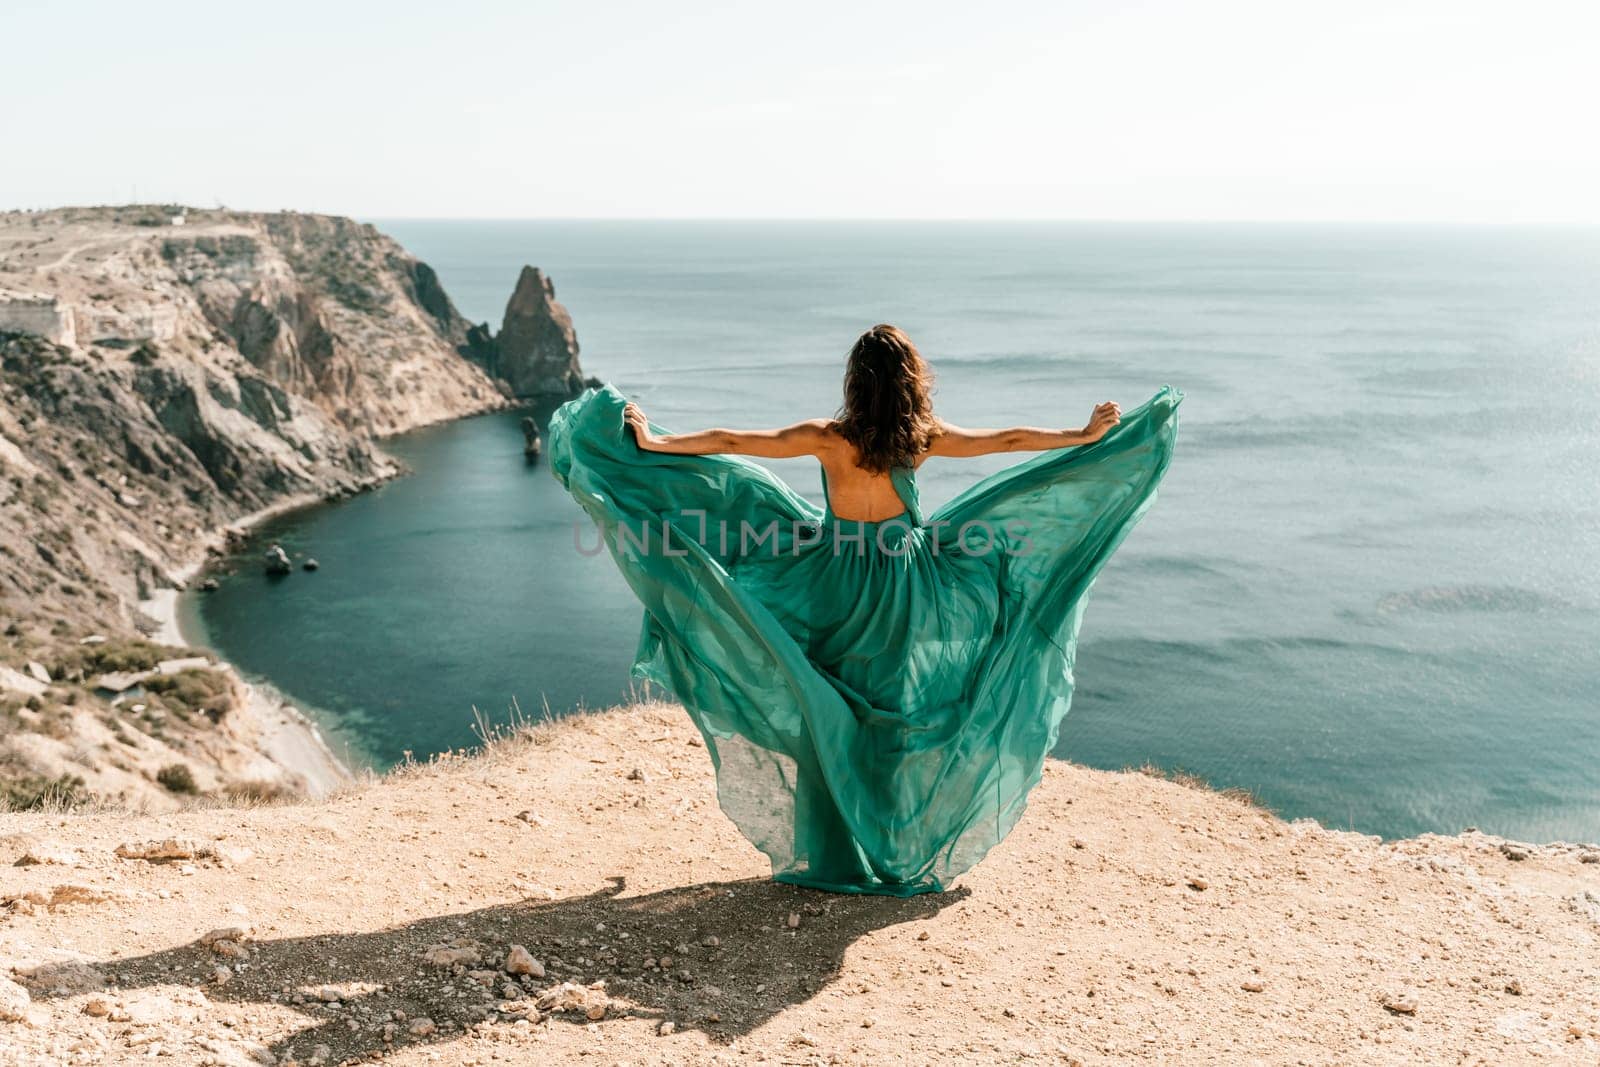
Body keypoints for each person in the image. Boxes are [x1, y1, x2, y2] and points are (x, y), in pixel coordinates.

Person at [549, 324, 1181, 895]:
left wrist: (655, 442)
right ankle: (897, 847)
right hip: (906, 587)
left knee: (830, 707)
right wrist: (1084, 436)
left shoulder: (828, 440)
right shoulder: (922, 440)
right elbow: (1011, 439)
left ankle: (836, 849)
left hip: (832, 580)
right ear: (911, 385)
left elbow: (735, 440)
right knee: (893, 715)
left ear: (854, 384)